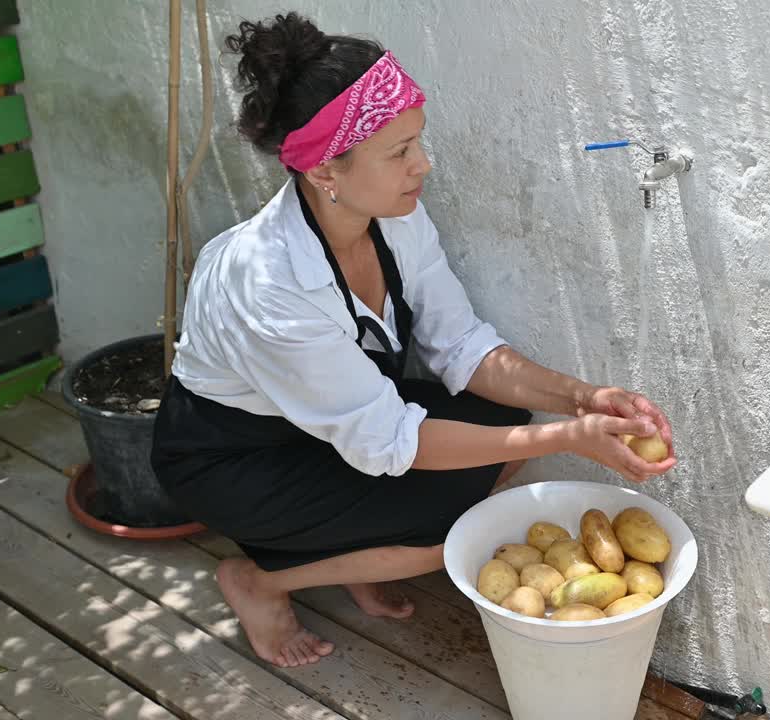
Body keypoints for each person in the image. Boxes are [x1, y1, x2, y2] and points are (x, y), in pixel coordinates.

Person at [150, 11, 676, 669]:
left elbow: (461, 346)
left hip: (336, 423)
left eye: (417, 141)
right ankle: (258, 581)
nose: (422, 164)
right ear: (325, 173)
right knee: (443, 539)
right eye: (399, 152)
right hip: (236, 459)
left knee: (504, 421)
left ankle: (342, 554)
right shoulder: (270, 285)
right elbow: (386, 442)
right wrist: (567, 437)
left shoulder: (393, 218)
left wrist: (583, 397)